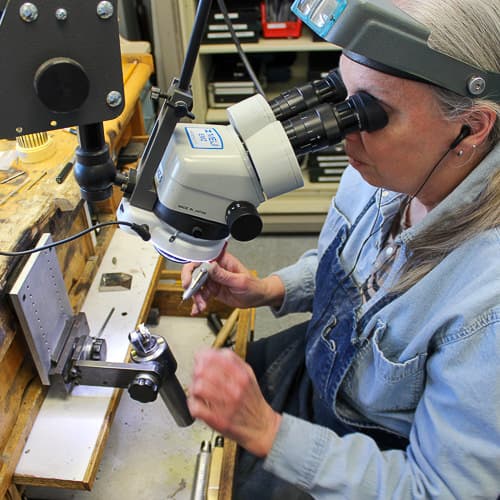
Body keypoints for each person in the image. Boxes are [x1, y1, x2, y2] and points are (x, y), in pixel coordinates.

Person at [181, 0, 500, 497]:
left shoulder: (488, 305)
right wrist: (267, 288)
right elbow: (361, 270)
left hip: (378, 457)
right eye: (341, 95)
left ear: (473, 126)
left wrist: (269, 432)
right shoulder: (393, 166)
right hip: (325, 374)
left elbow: (438, 491)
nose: (346, 135)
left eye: (372, 113)